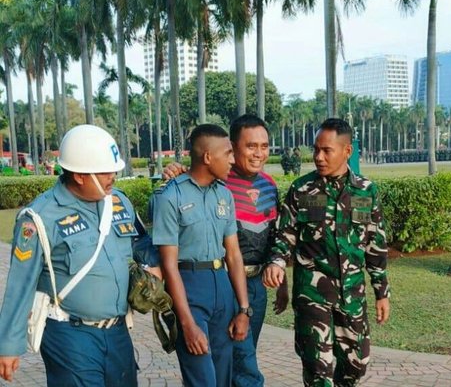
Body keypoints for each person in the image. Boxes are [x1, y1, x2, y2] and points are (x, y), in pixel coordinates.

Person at [0, 124, 161, 386]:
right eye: (105, 171)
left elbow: (141, 240)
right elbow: (20, 284)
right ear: (79, 176)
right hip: (70, 335)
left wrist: (153, 264)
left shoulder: (118, 201)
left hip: (118, 331)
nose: (113, 177)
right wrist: (8, 345)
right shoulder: (40, 217)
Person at [162, 114, 288, 387]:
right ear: (231, 147)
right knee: (242, 367)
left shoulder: (268, 185)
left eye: (264, 146)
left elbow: (275, 236)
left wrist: (281, 280)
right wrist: (177, 171)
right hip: (222, 283)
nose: (259, 153)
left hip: (254, 287)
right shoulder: (217, 182)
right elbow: (194, 179)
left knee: (236, 360)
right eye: (250, 146)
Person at [263, 118, 390, 387]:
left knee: (356, 364)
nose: (318, 157)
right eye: (316, 149)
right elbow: (284, 235)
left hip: (352, 294)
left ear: (347, 151)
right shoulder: (302, 189)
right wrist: (276, 261)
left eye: (326, 150)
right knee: (318, 369)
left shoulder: (365, 191)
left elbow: (374, 243)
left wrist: (381, 292)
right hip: (312, 294)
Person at [151, 123, 250, 387]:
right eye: (228, 153)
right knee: (202, 380)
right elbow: (169, 265)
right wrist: (187, 323)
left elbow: (234, 255)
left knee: (222, 378)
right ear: (208, 157)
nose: (233, 159)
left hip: (222, 287)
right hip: (189, 288)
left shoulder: (224, 195)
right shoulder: (170, 196)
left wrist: (243, 309)